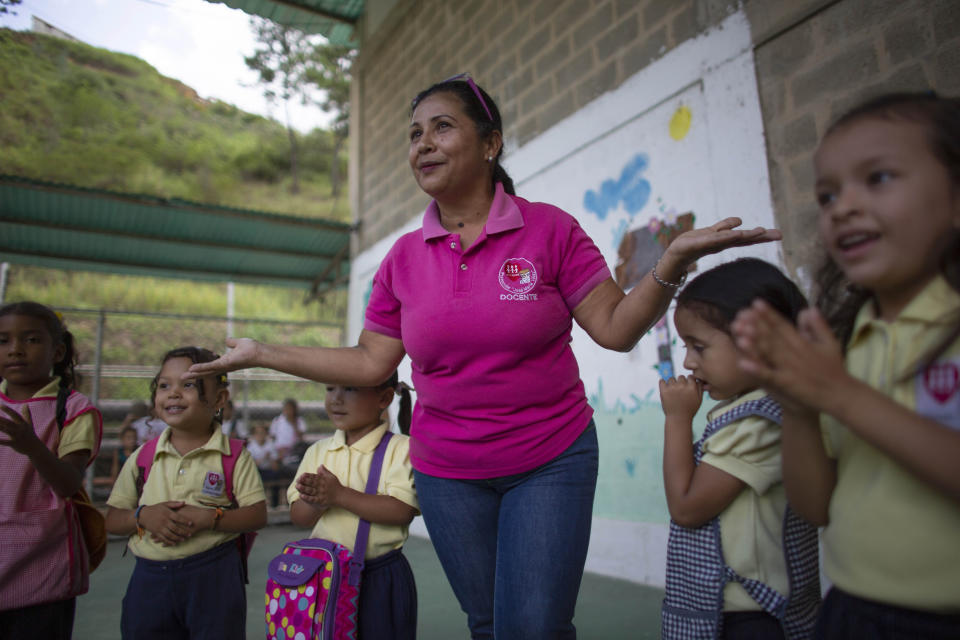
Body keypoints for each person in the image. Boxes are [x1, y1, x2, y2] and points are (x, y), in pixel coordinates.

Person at [187, 74, 780, 639]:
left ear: (491, 143)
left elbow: (616, 328)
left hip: (550, 458)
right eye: (415, 133)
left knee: (535, 628)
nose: (423, 144)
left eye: (441, 127)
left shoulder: (550, 231)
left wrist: (669, 262)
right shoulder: (402, 259)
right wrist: (260, 352)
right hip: (448, 473)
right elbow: (371, 363)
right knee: (488, 624)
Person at [731, 92, 960, 638]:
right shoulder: (851, 341)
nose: (843, 207)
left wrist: (838, 393)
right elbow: (816, 507)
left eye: (878, 178)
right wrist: (800, 409)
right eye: (828, 195)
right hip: (853, 610)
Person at [657, 259, 820, 639]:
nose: (687, 361)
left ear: (759, 343)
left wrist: (677, 419)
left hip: (752, 615)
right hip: (739, 610)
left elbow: (686, 507)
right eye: (685, 346)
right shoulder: (751, 411)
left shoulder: (758, 422)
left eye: (699, 347)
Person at [104, 346, 267, 640]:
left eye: (188, 385)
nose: (173, 393)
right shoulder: (143, 457)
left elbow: (256, 514)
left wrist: (210, 518)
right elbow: (113, 519)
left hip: (214, 576)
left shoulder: (234, 455)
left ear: (218, 399)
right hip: (149, 579)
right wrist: (143, 516)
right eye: (164, 385)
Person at [289, 371, 418, 639]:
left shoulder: (401, 449)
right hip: (323, 575)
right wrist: (317, 501)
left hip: (380, 576)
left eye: (349, 388)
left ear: (383, 398)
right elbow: (299, 517)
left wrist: (339, 496)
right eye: (329, 388)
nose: (336, 399)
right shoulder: (318, 451)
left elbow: (402, 511)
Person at [0, 301, 103, 640]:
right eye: (3, 340)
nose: (15, 350)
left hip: (43, 567)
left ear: (57, 351)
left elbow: (69, 482)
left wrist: (31, 446)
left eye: (31, 340)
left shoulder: (73, 409)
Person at [246, 423, 283, 507]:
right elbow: (251, 466)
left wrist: (270, 458)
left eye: (262, 433)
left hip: (268, 470)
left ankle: (275, 505)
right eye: (258, 433)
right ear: (254, 435)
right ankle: (255, 504)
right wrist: (263, 458)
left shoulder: (271, 445)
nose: (260, 435)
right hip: (257, 471)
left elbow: (275, 467)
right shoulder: (251, 447)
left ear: (266, 434)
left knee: (276, 475)